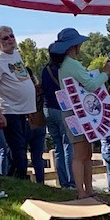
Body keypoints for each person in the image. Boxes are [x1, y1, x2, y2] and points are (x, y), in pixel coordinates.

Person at [50, 28, 110, 198]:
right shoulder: (72, 64)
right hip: (78, 113)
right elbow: (91, 85)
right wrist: (106, 73)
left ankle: (86, 190)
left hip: (73, 112)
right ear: (74, 46)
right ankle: (82, 191)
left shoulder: (64, 65)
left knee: (85, 152)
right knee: (81, 154)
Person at [0, 26, 37, 179]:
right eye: (5, 38)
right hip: (9, 110)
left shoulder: (15, 54)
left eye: (12, 36)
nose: (10, 40)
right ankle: (22, 177)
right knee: (18, 146)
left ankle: (12, 177)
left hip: (22, 109)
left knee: (21, 146)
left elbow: (21, 78)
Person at [42, 46, 75, 189]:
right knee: (68, 145)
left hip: (47, 108)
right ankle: (72, 180)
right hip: (62, 108)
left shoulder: (45, 70)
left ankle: (63, 181)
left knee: (58, 147)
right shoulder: (63, 69)